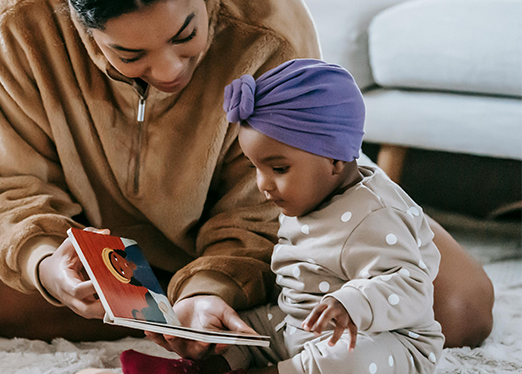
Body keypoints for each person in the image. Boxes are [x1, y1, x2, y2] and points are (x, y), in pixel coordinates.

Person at [0, 0, 493, 349]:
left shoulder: (266, 15)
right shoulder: (19, 11)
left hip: (274, 240)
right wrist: (49, 265)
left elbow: (270, 203)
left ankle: (220, 314)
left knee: (457, 307)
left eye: (185, 35)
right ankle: (222, 325)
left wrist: (211, 287)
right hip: (105, 239)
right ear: (79, 21)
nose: (168, 70)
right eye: (129, 54)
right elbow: (11, 185)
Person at [122, 59, 446, 374]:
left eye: (278, 169)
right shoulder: (308, 195)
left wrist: (352, 303)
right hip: (297, 323)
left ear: (334, 159)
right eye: (256, 168)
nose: (263, 184)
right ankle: (201, 368)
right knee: (239, 329)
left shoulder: (375, 215)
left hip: (377, 336)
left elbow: (413, 287)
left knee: (346, 361)